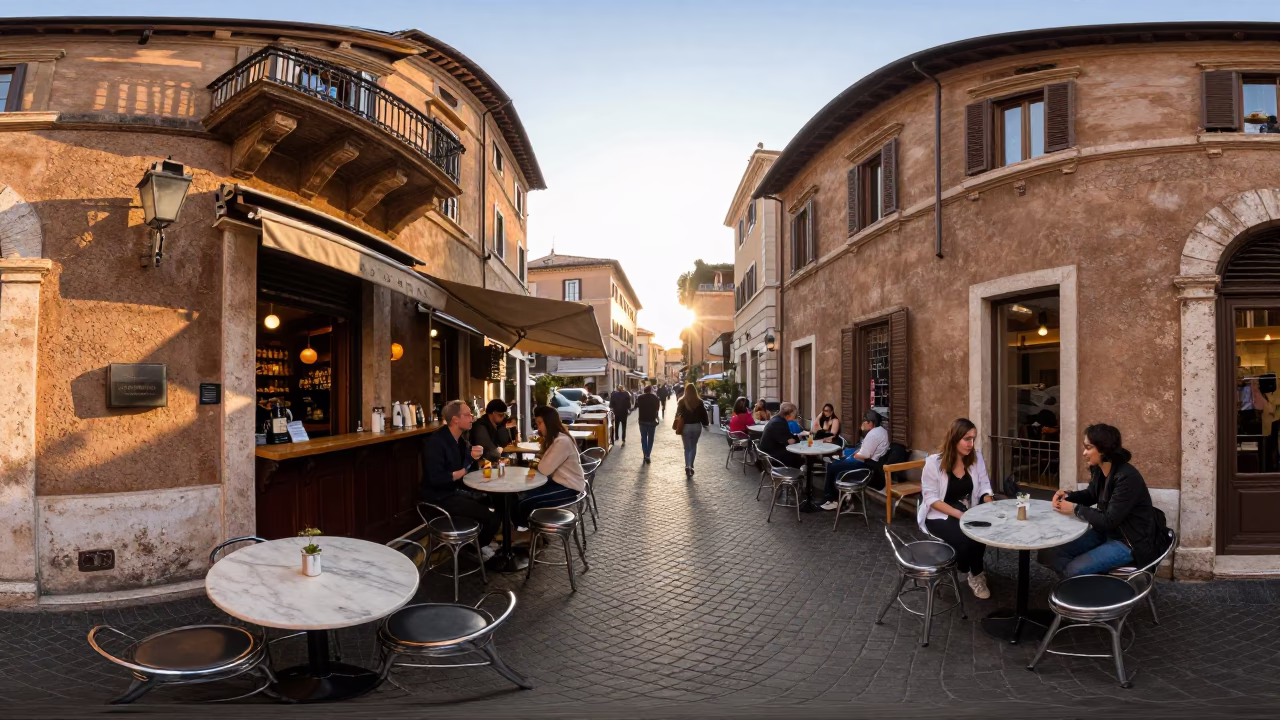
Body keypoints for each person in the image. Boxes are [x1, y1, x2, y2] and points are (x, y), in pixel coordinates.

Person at [1047, 423, 1170, 577]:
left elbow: (1109, 520)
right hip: (1105, 533)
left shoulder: (1127, 477)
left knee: (1074, 569)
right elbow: (1091, 494)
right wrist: (1068, 496)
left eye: (1089, 447)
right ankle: (1077, 586)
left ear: (1104, 449)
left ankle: (1088, 590)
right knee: (1052, 553)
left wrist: (1074, 509)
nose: (1084, 452)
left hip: (1128, 542)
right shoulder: (1100, 469)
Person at [918, 418, 995, 599]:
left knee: (981, 532)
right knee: (967, 538)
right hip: (940, 513)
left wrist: (989, 500)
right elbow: (931, 499)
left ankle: (973, 573)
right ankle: (970, 570)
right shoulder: (933, 463)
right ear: (954, 438)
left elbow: (984, 485)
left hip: (968, 509)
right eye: (967, 439)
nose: (971, 444)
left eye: (974, 439)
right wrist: (960, 514)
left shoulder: (976, 458)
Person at [422, 399, 500, 559]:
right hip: (440, 498)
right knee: (492, 517)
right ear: (455, 419)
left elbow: (468, 466)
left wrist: (473, 457)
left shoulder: (461, 441)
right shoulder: (436, 442)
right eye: (468, 415)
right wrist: (466, 467)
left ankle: (479, 541)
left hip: (455, 491)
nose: (472, 417)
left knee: (496, 501)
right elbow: (437, 478)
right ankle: (475, 548)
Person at [513, 406, 587, 526]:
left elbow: (544, 469)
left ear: (549, 422)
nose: (538, 427)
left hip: (569, 487)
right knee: (519, 495)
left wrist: (541, 458)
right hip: (559, 482)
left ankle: (526, 533)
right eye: (537, 423)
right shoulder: (557, 438)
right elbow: (542, 463)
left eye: (540, 423)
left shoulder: (562, 441)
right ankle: (527, 530)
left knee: (524, 502)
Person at [820, 410, 891, 508]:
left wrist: (854, 455)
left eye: (864, 421)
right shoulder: (882, 431)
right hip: (873, 464)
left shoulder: (873, 434)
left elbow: (866, 455)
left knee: (833, 466)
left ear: (870, 423)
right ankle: (842, 498)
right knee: (839, 463)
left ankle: (830, 499)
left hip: (868, 467)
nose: (862, 423)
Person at [674, 384, 710, 478]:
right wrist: (706, 424)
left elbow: (678, 414)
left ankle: (687, 465)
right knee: (693, 446)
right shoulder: (699, 402)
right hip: (697, 427)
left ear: (685, 391)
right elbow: (704, 415)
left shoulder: (681, 401)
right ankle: (691, 465)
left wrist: (676, 423)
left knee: (687, 448)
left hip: (685, 427)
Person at [758, 402, 803, 468]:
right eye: (795, 414)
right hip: (771, 455)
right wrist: (798, 439)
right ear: (789, 413)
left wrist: (795, 438)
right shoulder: (778, 423)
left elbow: (787, 436)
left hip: (768, 451)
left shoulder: (776, 419)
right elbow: (790, 441)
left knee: (797, 456)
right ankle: (793, 475)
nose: (795, 416)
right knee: (799, 457)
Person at [471, 398, 517, 463]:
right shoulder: (480, 427)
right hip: (481, 465)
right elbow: (491, 453)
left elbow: (504, 442)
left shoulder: (495, 425)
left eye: (504, 415)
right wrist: (498, 451)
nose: (503, 417)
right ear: (493, 413)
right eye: (501, 415)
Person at [635, 385, 662, 464]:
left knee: (643, 438)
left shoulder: (640, 398)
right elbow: (657, 409)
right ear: (651, 390)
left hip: (642, 421)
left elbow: (636, 406)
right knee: (650, 439)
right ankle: (647, 455)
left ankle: (645, 453)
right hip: (651, 421)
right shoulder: (655, 398)